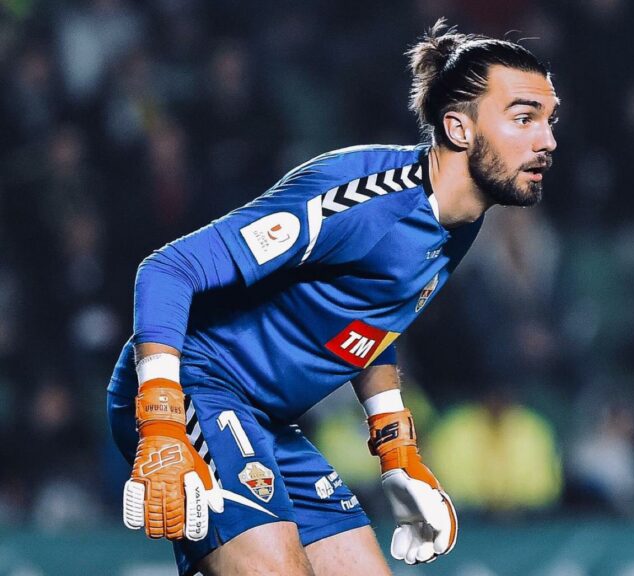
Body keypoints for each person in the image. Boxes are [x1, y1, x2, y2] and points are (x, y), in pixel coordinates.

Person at [107, 19, 559, 576]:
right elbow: (168, 270)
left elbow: (369, 324)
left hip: (266, 418)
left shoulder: (458, 220)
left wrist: (396, 449)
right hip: (194, 385)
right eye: (523, 118)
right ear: (459, 130)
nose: (547, 140)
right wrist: (161, 421)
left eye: (548, 119)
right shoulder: (362, 199)